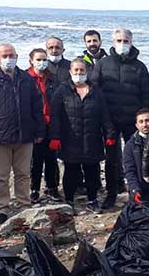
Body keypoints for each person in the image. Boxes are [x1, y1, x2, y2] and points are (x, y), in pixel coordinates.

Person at [0, 43, 45, 224]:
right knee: (1, 175)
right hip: (0, 136)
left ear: (17, 56)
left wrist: (39, 130)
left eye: (12, 55)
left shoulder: (26, 78)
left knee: (23, 173)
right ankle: (2, 207)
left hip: (25, 135)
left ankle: (23, 203)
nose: (9, 58)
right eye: (5, 55)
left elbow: (37, 106)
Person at [90, 27, 149, 209]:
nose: (122, 44)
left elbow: (146, 96)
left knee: (138, 157)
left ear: (131, 43)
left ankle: (141, 194)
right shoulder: (103, 64)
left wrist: (144, 120)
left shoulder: (139, 67)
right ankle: (112, 193)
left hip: (133, 122)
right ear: (112, 42)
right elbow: (95, 90)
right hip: (109, 121)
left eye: (125, 41)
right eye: (119, 41)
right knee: (112, 159)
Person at [49, 59, 116, 213]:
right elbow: (55, 115)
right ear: (70, 72)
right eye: (76, 71)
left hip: (92, 139)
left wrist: (110, 133)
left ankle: (92, 200)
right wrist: (55, 137)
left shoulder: (96, 91)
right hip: (69, 139)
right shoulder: (62, 90)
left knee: (92, 171)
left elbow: (104, 114)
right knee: (71, 171)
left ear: (87, 72)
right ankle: (69, 201)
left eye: (82, 71)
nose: (79, 73)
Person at [26, 48, 61, 203]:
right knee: (35, 160)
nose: (41, 62)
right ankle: (34, 189)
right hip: (34, 124)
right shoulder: (26, 78)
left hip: (51, 123)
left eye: (44, 59)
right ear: (31, 61)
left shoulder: (53, 79)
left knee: (51, 159)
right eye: (38, 59)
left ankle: (52, 188)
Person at [123, 108, 149, 207]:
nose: (145, 125)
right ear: (137, 125)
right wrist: (135, 189)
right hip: (143, 186)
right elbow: (130, 171)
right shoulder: (130, 145)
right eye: (141, 122)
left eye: (147, 121)